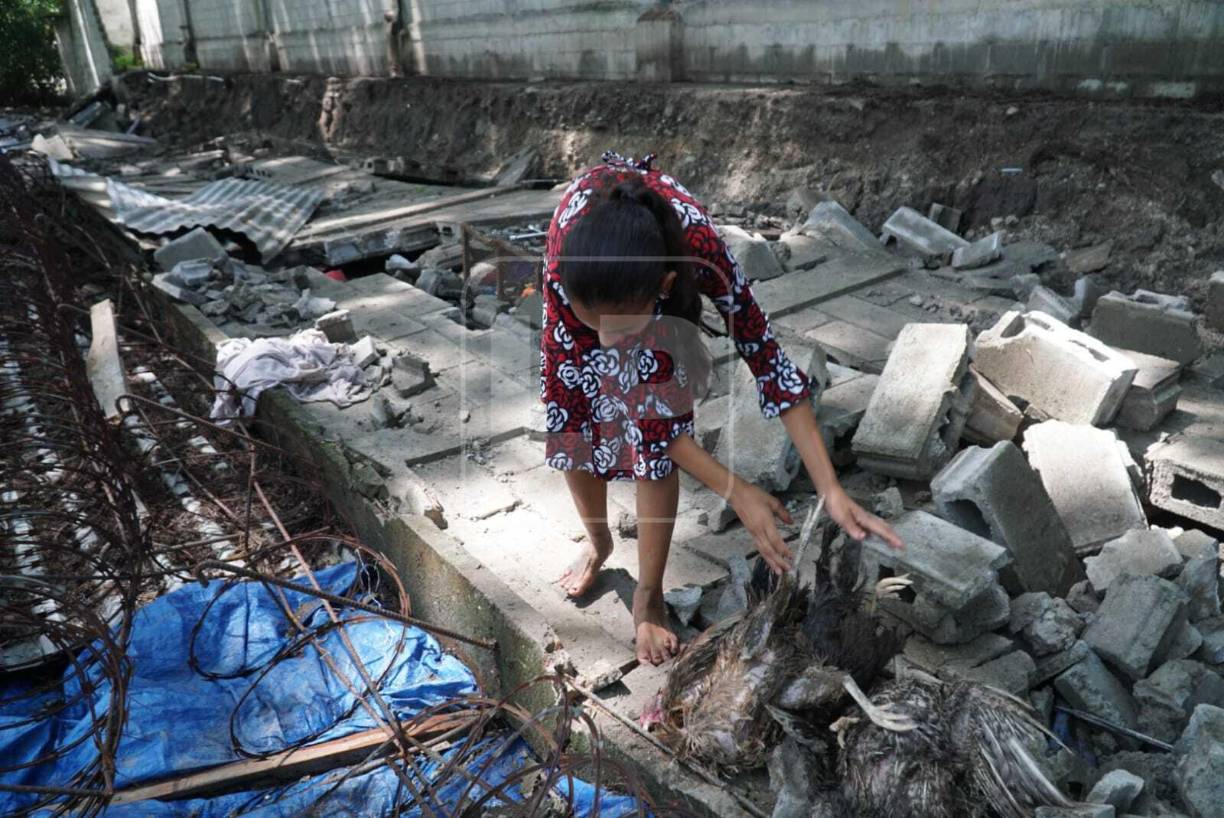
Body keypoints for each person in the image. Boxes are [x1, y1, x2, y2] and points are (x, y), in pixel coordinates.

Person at [540, 151, 902, 666]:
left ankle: (649, 594)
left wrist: (830, 489)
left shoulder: (700, 249)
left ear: (664, 289)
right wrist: (736, 491)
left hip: (636, 283)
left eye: (617, 326)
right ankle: (598, 541)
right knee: (572, 422)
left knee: (653, 450)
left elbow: (768, 360)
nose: (605, 340)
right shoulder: (566, 268)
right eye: (596, 323)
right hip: (577, 297)